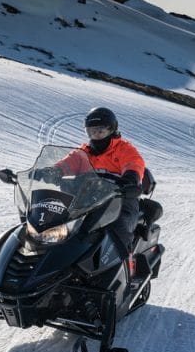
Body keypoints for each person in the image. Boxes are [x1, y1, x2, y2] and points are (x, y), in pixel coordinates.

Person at [45, 107, 146, 257]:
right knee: (55, 222)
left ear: (112, 129)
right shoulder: (85, 151)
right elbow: (67, 164)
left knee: (117, 230)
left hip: (120, 198)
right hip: (88, 198)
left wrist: (130, 179)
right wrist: (52, 171)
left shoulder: (124, 149)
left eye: (100, 131)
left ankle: (125, 264)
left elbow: (134, 165)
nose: (96, 136)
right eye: (91, 131)